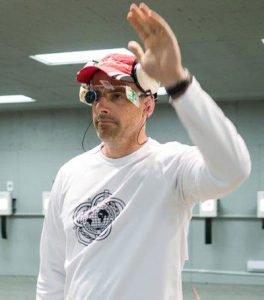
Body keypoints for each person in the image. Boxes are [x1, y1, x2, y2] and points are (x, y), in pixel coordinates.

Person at [36, 3, 251, 300]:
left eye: (118, 95)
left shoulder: (171, 167)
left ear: (147, 106)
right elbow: (52, 275)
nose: (102, 105)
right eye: (96, 95)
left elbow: (233, 169)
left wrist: (177, 80)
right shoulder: (70, 174)